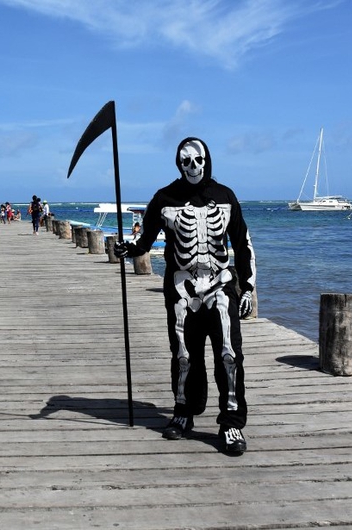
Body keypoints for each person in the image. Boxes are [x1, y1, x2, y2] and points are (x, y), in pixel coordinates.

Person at [114, 137, 255, 455]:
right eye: (185, 160)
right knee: (183, 356)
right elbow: (145, 240)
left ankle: (231, 422)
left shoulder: (225, 196)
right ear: (178, 163)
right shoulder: (165, 198)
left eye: (198, 160)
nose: (193, 166)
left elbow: (243, 245)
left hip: (220, 287)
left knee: (229, 355)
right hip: (180, 289)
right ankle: (184, 411)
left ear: (207, 160)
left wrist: (247, 287)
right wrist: (128, 249)